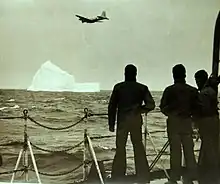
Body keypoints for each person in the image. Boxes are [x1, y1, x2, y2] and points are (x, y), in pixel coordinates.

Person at [108, 64, 155, 183]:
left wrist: (111, 124)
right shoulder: (142, 88)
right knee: (138, 147)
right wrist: (140, 109)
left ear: (125, 74)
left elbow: (112, 107)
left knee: (120, 149)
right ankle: (143, 176)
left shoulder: (118, 87)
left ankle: (118, 177)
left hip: (122, 122)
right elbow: (151, 105)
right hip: (135, 121)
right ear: (136, 74)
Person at [159, 64, 198, 184]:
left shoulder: (169, 90)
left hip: (174, 122)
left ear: (173, 75)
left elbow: (163, 107)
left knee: (175, 152)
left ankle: (174, 178)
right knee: (189, 151)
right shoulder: (192, 90)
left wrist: (172, 113)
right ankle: (190, 177)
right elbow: (197, 108)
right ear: (185, 75)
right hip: (187, 122)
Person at [194, 70, 219, 184]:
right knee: (212, 144)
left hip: (207, 121)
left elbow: (204, 109)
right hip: (214, 120)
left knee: (208, 144)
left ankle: (209, 171)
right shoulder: (211, 91)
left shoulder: (204, 93)